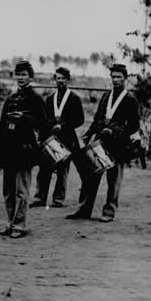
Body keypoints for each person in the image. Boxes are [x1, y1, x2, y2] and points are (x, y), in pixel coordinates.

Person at [66, 63, 140, 222]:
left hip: (119, 145)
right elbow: (98, 119)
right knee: (91, 176)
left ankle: (109, 212)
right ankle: (84, 209)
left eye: (119, 77)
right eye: (113, 77)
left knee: (114, 180)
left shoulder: (130, 99)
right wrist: (88, 134)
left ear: (125, 79)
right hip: (101, 143)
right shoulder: (106, 96)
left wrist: (115, 131)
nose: (115, 80)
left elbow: (134, 126)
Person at [0, 61, 46, 238]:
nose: (21, 78)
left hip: (25, 150)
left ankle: (20, 225)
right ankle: (10, 222)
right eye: (18, 74)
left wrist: (24, 117)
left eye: (24, 75)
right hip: (8, 150)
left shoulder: (36, 98)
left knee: (21, 191)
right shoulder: (11, 98)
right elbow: (2, 125)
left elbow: (42, 123)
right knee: (8, 190)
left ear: (30, 76)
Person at [30, 67, 84, 208]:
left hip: (67, 139)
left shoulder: (74, 98)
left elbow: (80, 120)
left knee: (62, 170)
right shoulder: (49, 99)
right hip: (50, 138)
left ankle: (58, 199)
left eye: (63, 78)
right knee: (44, 169)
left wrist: (64, 126)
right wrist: (42, 136)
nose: (60, 81)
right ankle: (39, 198)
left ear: (68, 80)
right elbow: (44, 120)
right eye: (58, 78)